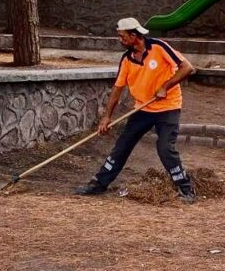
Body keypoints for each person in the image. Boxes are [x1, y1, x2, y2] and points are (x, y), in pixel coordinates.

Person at [74, 17, 197, 203]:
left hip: (168, 107)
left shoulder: (159, 47)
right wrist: (106, 117)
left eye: (123, 37)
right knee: (122, 145)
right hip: (143, 108)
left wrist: (166, 86)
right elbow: (117, 89)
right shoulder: (127, 59)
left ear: (134, 35)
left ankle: (186, 188)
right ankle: (99, 184)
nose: (120, 40)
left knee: (165, 148)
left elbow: (187, 68)